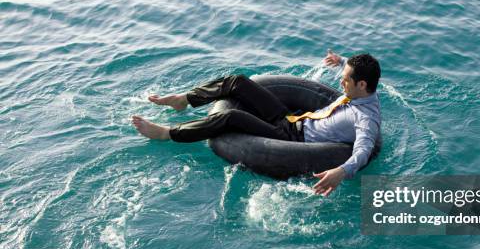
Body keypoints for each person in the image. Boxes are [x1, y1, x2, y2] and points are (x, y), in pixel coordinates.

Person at [132, 50, 381, 196]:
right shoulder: (364, 91)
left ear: (361, 85)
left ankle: (168, 134)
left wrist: (341, 171)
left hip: (291, 138)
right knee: (237, 81)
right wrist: (341, 62)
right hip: (292, 121)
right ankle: (183, 100)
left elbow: (363, 150)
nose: (341, 82)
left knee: (230, 117)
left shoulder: (365, 118)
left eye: (346, 79)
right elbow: (355, 72)